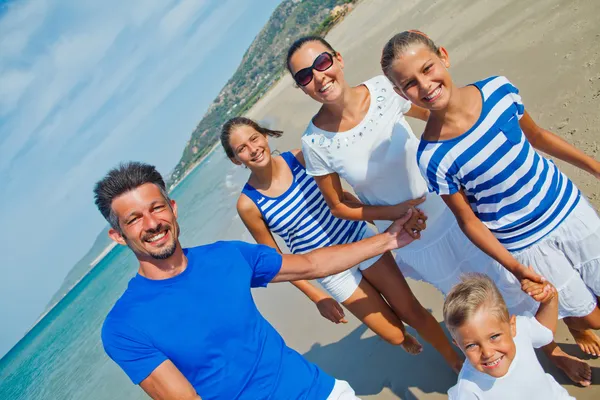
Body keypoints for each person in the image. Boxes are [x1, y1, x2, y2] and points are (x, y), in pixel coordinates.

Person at [380, 29, 600, 386]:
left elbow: (538, 136)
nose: (425, 85)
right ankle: (581, 329)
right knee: (590, 317)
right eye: (410, 83)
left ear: (444, 57)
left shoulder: (499, 90)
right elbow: (468, 220)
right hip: (525, 243)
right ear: (401, 93)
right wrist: (515, 266)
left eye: (428, 68)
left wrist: (594, 166)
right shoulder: (432, 156)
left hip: (568, 209)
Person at [94, 161, 419, 400]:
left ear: (173, 208)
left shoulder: (227, 257)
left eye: (156, 208)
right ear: (118, 235)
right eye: (134, 219)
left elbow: (311, 264)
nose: (152, 224)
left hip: (320, 392)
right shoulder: (124, 327)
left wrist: (388, 240)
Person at [286, 36, 535, 314]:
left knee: (506, 280)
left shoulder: (384, 89)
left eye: (322, 62)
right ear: (301, 88)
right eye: (306, 76)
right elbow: (339, 207)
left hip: (455, 210)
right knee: (468, 302)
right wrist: (395, 212)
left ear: (338, 59)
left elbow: (439, 117)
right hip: (414, 236)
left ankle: (546, 345)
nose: (319, 77)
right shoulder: (314, 142)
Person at [220, 116, 463, 370]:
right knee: (393, 334)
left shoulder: (301, 159)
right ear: (236, 160)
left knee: (410, 310)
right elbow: (278, 262)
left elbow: (343, 198)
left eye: (254, 138)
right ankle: (402, 338)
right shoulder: (248, 204)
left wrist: (390, 215)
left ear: (265, 136)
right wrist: (317, 297)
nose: (252, 149)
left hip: (359, 242)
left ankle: (455, 361)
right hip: (330, 271)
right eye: (241, 149)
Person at [444, 273, 574, 399]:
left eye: (494, 337)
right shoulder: (468, 389)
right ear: (458, 345)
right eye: (471, 345)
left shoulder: (521, 329)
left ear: (512, 326)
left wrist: (550, 298)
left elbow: (545, 332)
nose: (488, 353)